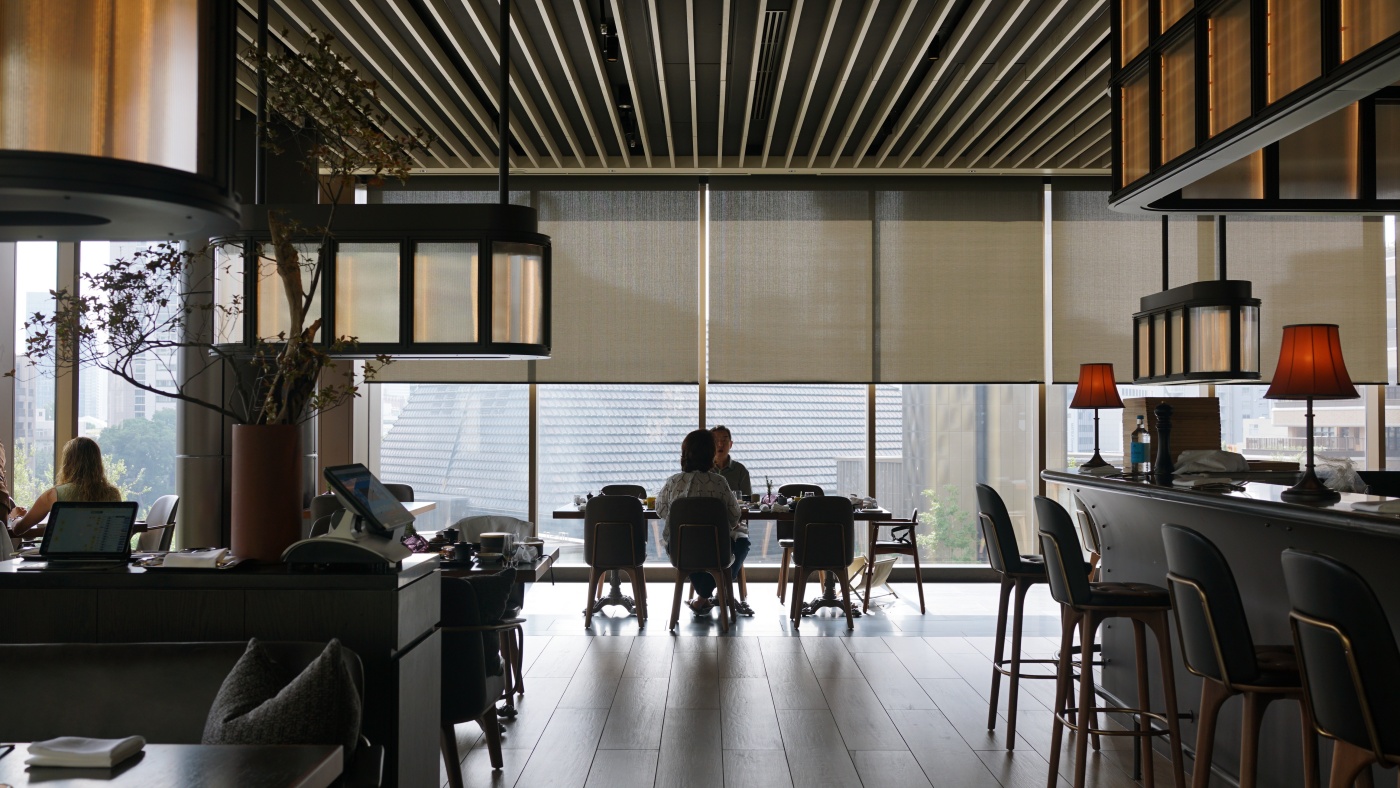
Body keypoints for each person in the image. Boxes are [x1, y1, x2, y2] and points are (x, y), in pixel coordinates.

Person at [655, 429, 753, 617]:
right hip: (715, 549)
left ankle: (702, 597)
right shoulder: (719, 482)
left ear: (684, 453)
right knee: (740, 542)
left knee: (692, 549)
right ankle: (711, 593)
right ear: (711, 453)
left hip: (681, 549)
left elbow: (661, 511)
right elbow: (734, 516)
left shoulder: (673, 482)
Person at [7, 437, 123, 539]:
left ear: (68, 462)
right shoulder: (113, 493)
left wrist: (15, 517)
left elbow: (19, 529)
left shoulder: (54, 494)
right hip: (104, 555)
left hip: (65, 556)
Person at [710, 425, 751, 499]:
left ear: (731, 444)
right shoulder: (703, 470)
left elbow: (747, 500)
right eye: (715, 441)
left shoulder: (740, 470)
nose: (720, 444)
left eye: (724, 440)